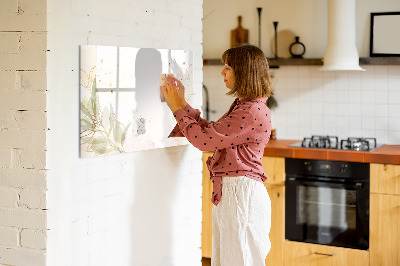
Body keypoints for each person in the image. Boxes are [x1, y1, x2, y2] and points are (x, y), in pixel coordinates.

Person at [161, 44, 273, 266]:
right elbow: (212, 133)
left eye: (228, 67)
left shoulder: (250, 111)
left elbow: (204, 141)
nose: (222, 72)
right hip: (236, 193)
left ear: (244, 72)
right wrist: (182, 103)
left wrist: (176, 108)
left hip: (241, 195)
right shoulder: (246, 106)